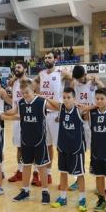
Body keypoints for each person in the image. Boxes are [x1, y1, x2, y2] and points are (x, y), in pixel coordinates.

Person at [4, 79, 60, 205]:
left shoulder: (41, 101)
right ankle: (25, 190)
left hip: (39, 140)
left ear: (33, 91)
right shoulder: (21, 103)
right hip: (26, 140)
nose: (25, 95)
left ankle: (45, 191)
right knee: (26, 166)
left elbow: (58, 107)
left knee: (41, 167)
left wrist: (45, 97)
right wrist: (0, 113)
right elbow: (13, 112)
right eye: (23, 93)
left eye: (27, 92)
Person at [34, 51, 72, 186]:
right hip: (44, 113)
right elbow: (33, 84)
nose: (47, 59)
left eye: (49, 57)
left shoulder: (61, 72)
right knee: (47, 146)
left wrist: (68, 100)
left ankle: (66, 177)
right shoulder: (41, 74)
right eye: (45, 58)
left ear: (55, 59)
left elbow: (73, 80)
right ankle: (48, 175)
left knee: (61, 147)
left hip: (57, 114)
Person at [50, 87, 89, 212]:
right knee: (63, 172)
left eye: (69, 98)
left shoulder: (80, 110)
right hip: (63, 146)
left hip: (76, 148)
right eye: (64, 97)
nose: (66, 100)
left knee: (80, 174)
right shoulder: (61, 108)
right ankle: (62, 198)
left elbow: (96, 106)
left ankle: (82, 199)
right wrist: (38, 95)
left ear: (74, 99)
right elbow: (50, 101)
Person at [7, 61, 32, 183]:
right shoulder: (14, 83)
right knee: (19, 147)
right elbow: (13, 100)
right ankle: (20, 171)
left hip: (29, 119)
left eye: (19, 67)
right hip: (17, 118)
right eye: (15, 67)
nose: (16, 69)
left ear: (25, 69)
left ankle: (36, 173)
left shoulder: (31, 83)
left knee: (32, 147)